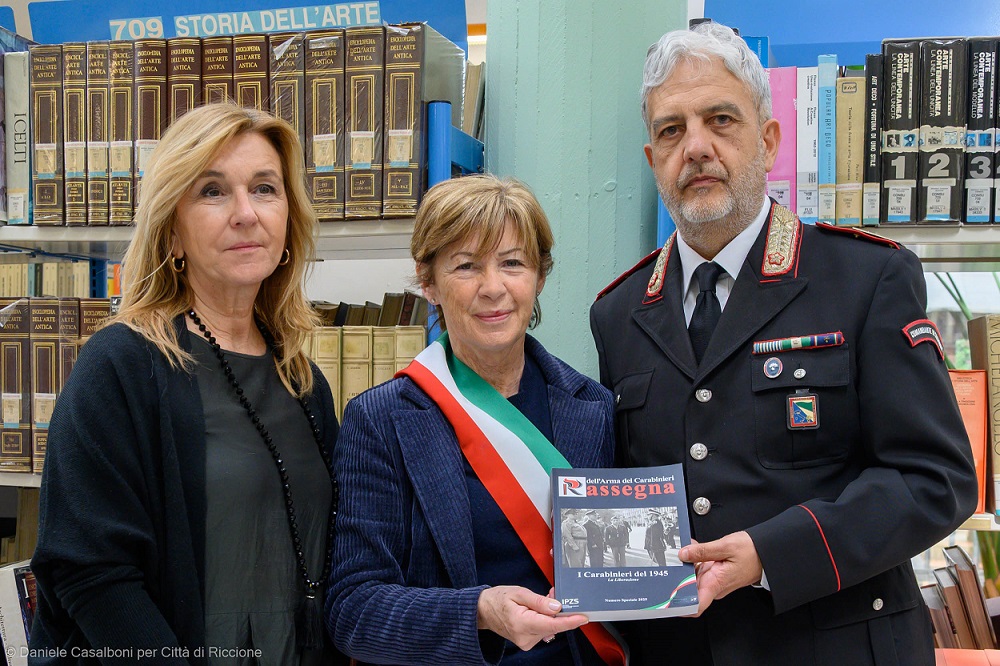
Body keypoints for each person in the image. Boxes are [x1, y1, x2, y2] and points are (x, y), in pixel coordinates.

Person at [589, 21, 978, 665]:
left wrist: (773, 553)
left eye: (721, 120)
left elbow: (936, 479)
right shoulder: (619, 312)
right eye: (671, 130)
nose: (697, 147)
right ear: (653, 158)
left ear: (768, 140)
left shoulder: (866, 278)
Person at [29, 103, 344, 665]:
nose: (246, 213)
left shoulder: (302, 380)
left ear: (289, 220)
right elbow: (89, 573)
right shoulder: (122, 365)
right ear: (173, 232)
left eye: (265, 188)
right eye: (213, 191)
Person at [327, 174, 626, 666]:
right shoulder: (379, 420)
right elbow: (353, 609)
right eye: (466, 266)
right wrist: (479, 611)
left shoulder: (591, 408)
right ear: (429, 283)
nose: (494, 288)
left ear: (539, 277)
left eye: (513, 263)